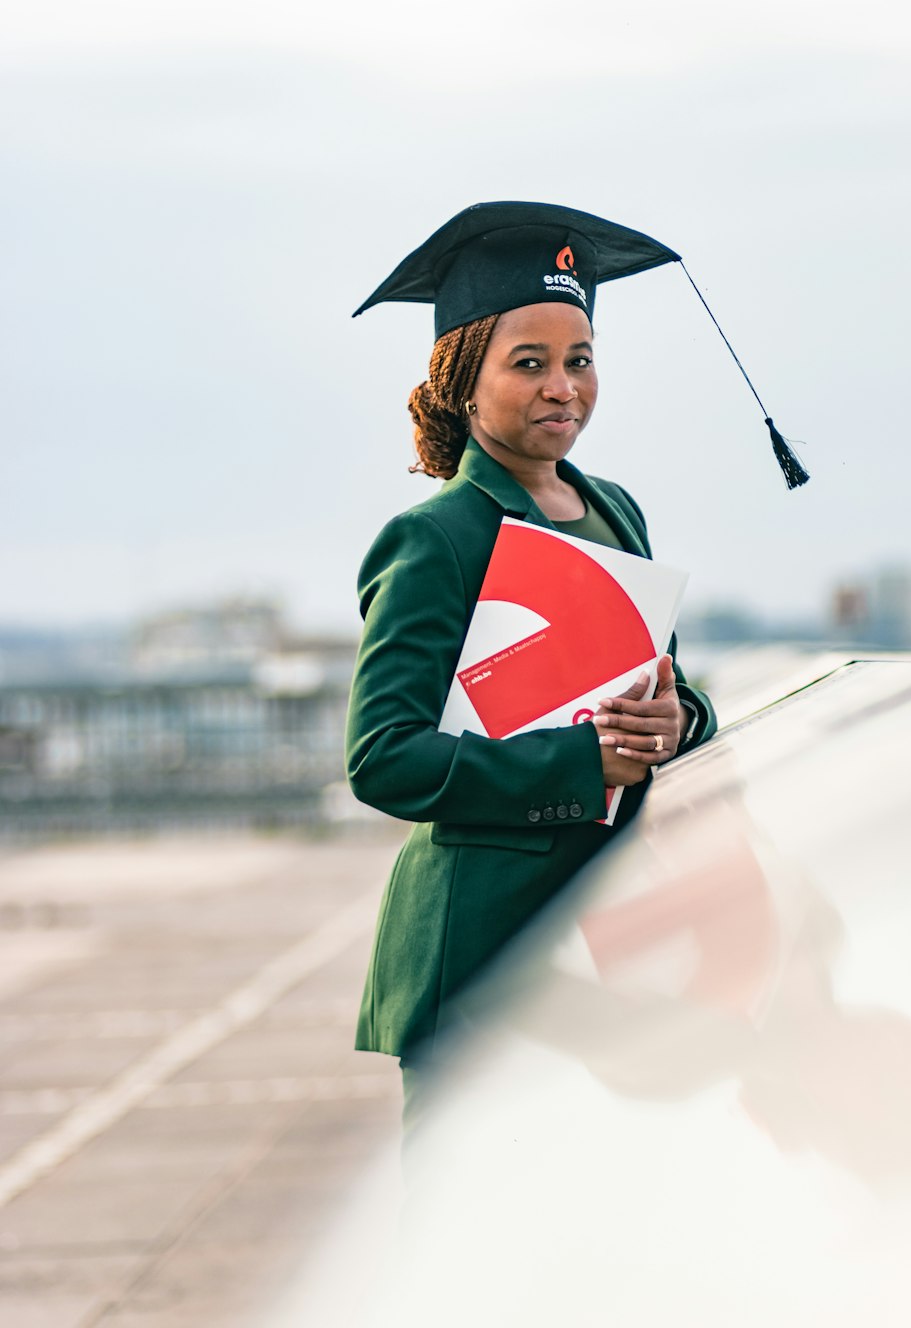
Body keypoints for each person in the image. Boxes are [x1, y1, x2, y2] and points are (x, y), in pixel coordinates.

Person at [346, 202, 718, 1116]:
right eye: (530, 364)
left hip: (612, 950)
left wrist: (684, 719)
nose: (564, 386)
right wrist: (577, 765)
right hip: (482, 953)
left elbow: (660, 682)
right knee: (463, 1245)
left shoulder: (616, 509)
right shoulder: (436, 538)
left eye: (580, 360)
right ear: (463, 382)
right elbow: (381, 757)